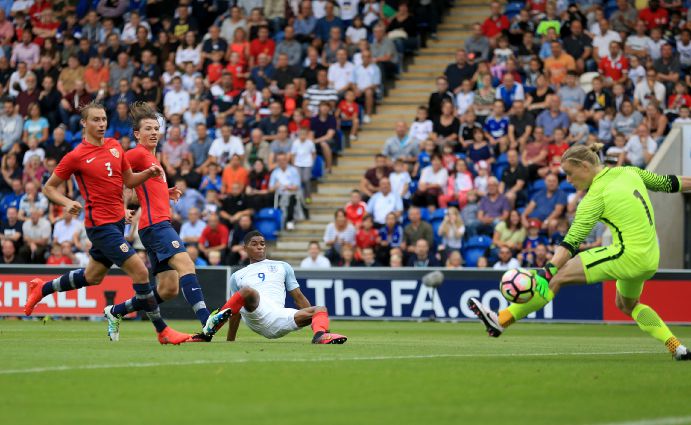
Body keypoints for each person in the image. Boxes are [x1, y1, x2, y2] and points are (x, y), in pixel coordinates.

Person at [468, 143, 691, 361]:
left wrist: (547, 272)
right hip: (651, 257)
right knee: (627, 305)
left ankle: (501, 320)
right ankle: (676, 346)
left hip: (627, 255)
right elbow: (670, 183)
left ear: (585, 166)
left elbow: (571, 243)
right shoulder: (629, 172)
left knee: (556, 277)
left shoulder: (594, 198)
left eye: (569, 174)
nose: (568, 180)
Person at [23, 102, 191, 345]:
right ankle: (162, 331)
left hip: (116, 223)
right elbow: (49, 187)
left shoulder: (114, 146)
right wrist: (66, 201)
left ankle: (42, 289)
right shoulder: (76, 156)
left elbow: (129, 180)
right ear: (84, 123)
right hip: (99, 225)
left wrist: (150, 175)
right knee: (141, 271)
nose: (101, 124)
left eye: (103, 119)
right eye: (96, 120)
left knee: (93, 277)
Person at [104, 103, 212, 342]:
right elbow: (115, 176)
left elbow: (136, 190)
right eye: (148, 128)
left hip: (153, 227)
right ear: (137, 134)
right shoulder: (138, 154)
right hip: (157, 226)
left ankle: (116, 310)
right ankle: (207, 322)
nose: (154, 132)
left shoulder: (152, 158)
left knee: (168, 289)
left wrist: (165, 191)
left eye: (156, 128)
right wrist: (121, 208)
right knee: (186, 265)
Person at [201, 231, 346, 343]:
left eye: (262, 243)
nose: (259, 246)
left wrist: (314, 319)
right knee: (247, 292)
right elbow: (235, 311)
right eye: (254, 243)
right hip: (256, 316)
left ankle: (321, 336)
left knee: (320, 309)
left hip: (278, 317)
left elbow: (298, 297)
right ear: (245, 248)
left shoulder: (283, 266)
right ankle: (212, 327)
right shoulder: (238, 275)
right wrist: (230, 340)